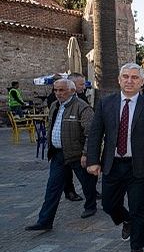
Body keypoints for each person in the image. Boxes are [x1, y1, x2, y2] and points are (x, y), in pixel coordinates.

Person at [86, 63, 144, 252]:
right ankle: (125, 220)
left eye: (134, 77)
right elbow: (95, 133)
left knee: (139, 209)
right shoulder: (105, 103)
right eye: (125, 77)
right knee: (109, 205)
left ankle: (137, 249)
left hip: (138, 167)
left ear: (141, 82)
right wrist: (92, 160)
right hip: (112, 164)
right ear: (119, 80)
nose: (129, 81)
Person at [25, 79, 98, 231]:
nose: (58, 93)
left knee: (87, 182)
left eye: (62, 90)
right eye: (56, 90)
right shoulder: (54, 106)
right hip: (58, 155)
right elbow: (51, 125)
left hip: (77, 154)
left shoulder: (82, 107)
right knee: (52, 187)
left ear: (72, 91)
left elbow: (91, 133)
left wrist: (85, 154)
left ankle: (90, 205)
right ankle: (45, 220)